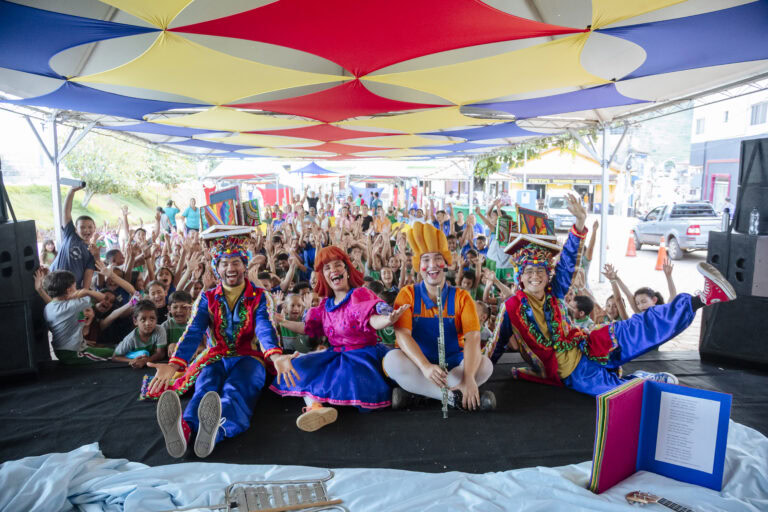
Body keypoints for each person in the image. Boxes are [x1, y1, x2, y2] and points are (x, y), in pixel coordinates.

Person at [485, 194, 738, 396]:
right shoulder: (511, 307)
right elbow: (494, 347)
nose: (535, 276)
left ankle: (703, 298)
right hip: (572, 371)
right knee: (617, 394)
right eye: (529, 271)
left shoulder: (555, 291)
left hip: (587, 343)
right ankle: (645, 381)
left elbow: (567, 263)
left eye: (540, 270)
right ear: (520, 275)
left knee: (638, 326)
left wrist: (580, 225)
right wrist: (471, 377)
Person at [146, 234, 280, 458]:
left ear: (244, 266)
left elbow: (264, 328)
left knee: (238, 389)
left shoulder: (260, 296)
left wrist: (275, 355)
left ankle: (216, 430)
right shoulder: (207, 297)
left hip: (250, 358)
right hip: (216, 356)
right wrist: (174, 364)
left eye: (236, 262)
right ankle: (186, 429)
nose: (231, 267)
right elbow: (194, 332)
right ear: (217, 268)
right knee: (205, 386)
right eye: (225, 263)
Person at [270, 245, 408, 432]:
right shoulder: (325, 305)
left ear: (347, 269)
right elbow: (308, 328)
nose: (333, 270)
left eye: (337, 265)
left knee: (349, 382)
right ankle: (315, 409)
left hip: (362, 356)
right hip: (336, 355)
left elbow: (372, 319)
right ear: (323, 276)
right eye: (327, 268)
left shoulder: (359, 295)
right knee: (297, 367)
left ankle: (400, 393)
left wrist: (388, 319)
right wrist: (282, 322)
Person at [384, 222, 496, 411]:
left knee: (485, 365)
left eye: (437, 259)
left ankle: (420, 393)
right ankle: (455, 398)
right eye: (426, 260)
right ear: (420, 265)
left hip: (453, 366)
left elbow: (473, 338)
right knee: (392, 360)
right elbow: (402, 335)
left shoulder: (462, 297)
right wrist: (426, 367)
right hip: (419, 366)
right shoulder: (407, 294)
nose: (432, 265)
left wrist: (468, 378)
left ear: (445, 262)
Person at [42, 270, 114, 364]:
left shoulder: (48, 307)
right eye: (75, 287)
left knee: (114, 350)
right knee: (116, 355)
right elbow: (102, 298)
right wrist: (85, 291)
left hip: (61, 350)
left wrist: (85, 325)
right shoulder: (73, 305)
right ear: (69, 290)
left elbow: (69, 324)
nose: (77, 290)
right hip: (73, 353)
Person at [50, 184, 96, 289]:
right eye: (82, 227)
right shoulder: (70, 234)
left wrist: (83, 293)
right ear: (76, 229)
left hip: (72, 289)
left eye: (90, 227)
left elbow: (88, 276)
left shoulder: (92, 251)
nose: (86, 230)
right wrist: (71, 192)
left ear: (95, 228)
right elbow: (66, 212)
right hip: (53, 282)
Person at [112, 300, 167, 368]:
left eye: (152, 319)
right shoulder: (130, 339)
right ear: (135, 321)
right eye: (143, 319)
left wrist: (145, 361)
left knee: (145, 353)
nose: (148, 323)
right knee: (144, 353)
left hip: (146, 357)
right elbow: (115, 357)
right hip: (127, 352)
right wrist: (132, 360)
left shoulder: (160, 330)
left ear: (156, 320)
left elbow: (160, 354)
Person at [163, 290, 193, 357]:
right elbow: (160, 350)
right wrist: (169, 346)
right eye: (175, 307)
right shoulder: (165, 326)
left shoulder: (194, 325)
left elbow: (203, 345)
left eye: (184, 307)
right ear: (169, 309)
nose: (179, 310)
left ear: (190, 308)